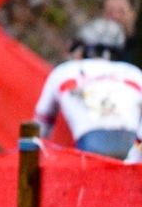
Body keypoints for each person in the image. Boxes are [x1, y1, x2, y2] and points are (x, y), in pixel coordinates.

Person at [32, 19, 142, 160]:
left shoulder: (64, 71)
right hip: (133, 143)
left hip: (89, 142)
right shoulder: (134, 73)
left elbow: (40, 125)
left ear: (84, 49)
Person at [100, 0, 138, 65]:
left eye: (121, 12)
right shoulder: (92, 47)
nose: (115, 17)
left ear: (133, 14)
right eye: (110, 12)